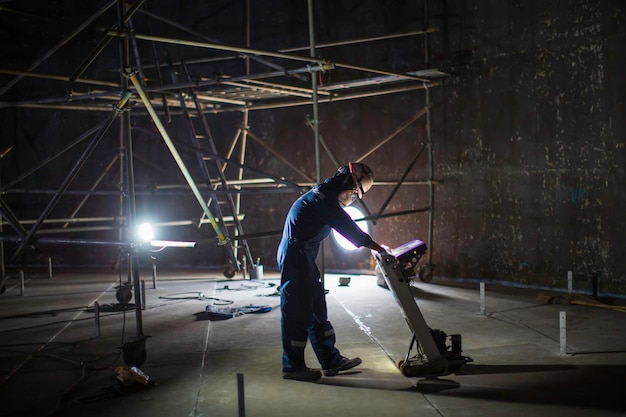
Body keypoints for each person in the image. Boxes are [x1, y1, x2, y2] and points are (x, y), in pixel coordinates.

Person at [276, 162, 386, 382]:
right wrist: (377, 247)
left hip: (303, 256)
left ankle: (330, 360)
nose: (352, 199)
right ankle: (292, 367)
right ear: (347, 184)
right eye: (354, 193)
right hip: (296, 258)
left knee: (317, 308)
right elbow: (347, 227)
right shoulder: (324, 200)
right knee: (297, 312)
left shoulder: (324, 194)